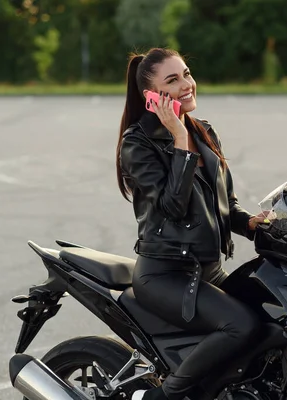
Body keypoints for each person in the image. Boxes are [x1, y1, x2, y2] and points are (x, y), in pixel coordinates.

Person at [116, 48, 265, 400]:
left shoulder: (204, 131)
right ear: (151, 96)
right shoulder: (136, 144)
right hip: (165, 275)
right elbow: (172, 207)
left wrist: (254, 224)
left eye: (186, 74)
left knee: (275, 309)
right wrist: (180, 141)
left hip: (208, 270)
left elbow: (226, 205)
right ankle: (163, 396)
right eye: (173, 80)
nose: (187, 84)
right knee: (240, 326)